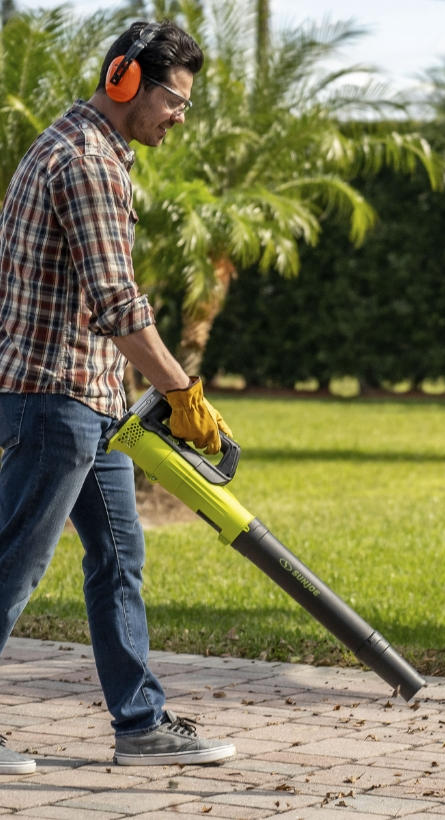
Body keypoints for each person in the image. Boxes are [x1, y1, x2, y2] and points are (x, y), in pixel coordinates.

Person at [0, 19, 237, 774]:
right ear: (125, 81)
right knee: (13, 565)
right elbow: (116, 303)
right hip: (55, 399)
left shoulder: (89, 149)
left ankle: (140, 725)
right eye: (175, 99)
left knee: (118, 558)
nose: (180, 116)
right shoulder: (87, 163)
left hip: (92, 403)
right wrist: (181, 390)